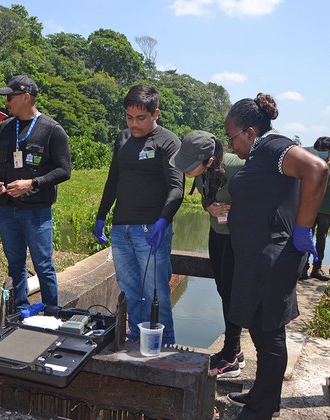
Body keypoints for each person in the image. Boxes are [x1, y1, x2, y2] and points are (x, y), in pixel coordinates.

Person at [223, 93, 328, 419]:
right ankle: (259, 395)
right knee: (259, 327)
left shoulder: (272, 147)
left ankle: (264, 408)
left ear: (250, 132)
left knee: (269, 335)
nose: (231, 145)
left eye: (232, 137)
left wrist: (303, 228)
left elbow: (317, 169)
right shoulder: (260, 153)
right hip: (259, 256)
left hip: (273, 256)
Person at [95, 84, 183, 345]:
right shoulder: (122, 139)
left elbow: (177, 188)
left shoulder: (168, 141)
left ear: (156, 113)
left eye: (141, 118)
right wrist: (102, 215)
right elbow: (113, 180)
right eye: (129, 117)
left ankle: (164, 345)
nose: (134, 124)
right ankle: (135, 340)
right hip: (122, 228)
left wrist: (163, 220)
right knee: (131, 290)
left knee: (155, 292)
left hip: (151, 229)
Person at [0, 75, 71, 310]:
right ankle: (19, 311)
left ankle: (52, 313)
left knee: (43, 265)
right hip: (7, 209)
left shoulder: (52, 130)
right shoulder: (6, 127)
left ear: (26, 97)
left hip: (37, 211)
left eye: (10, 97)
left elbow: (64, 171)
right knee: (15, 264)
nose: (6, 103)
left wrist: (32, 183)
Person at [170, 130, 246, 377]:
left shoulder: (238, 167)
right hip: (217, 235)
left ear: (210, 160)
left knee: (234, 293)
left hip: (239, 239)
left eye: (189, 166)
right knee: (224, 290)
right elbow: (205, 197)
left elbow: (264, 199)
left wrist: (239, 212)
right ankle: (234, 349)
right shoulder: (202, 172)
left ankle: (231, 356)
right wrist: (208, 206)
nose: (185, 171)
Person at [299, 136, 330, 281]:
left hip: (326, 209)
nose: (320, 152)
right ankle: (303, 268)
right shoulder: (311, 163)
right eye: (318, 150)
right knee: (306, 239)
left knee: (321, 240)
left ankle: (317, 268)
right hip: (309, 208)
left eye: (323, 150)